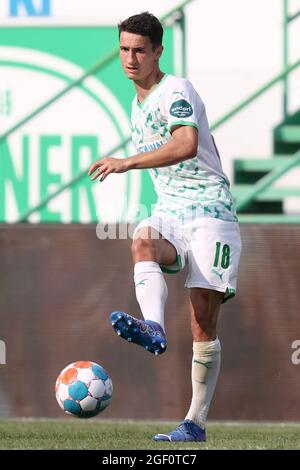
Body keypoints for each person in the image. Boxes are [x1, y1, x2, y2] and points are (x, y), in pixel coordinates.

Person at [88, 12, 242, 442]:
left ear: (158, 51)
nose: (130, 58)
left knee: (202, 323)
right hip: (172, 210)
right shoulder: (135, 104)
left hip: (211, 213)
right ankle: (152, 326)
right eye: (123, 49)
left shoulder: (176, 90)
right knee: (142, 241)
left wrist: (126, 162)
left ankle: (194, 423)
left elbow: (186, 143)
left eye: (139, 49)